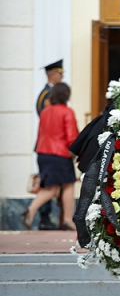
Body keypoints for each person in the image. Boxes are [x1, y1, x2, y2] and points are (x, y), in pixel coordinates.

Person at [23, 83, 79, 231]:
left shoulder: (45, 112)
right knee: (68, 185)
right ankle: (67, 220)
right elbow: (71, 138)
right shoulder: (67, 112)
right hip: (60, 154)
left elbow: (41, 134)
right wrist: (80, 152)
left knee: (50, 188)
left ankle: (30, 211)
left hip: (43, 154)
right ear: (66, 95)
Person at [34, 59, 65, 230]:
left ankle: (47, 217)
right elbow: (47, 118)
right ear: (52, 74)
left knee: (53, 183)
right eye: (60, 73)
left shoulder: (51, 93)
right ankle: (43, 217)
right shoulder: (47, 95)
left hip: (51, 145)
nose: (61, 77)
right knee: (48, 183)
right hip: (50, 145)